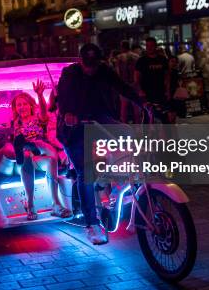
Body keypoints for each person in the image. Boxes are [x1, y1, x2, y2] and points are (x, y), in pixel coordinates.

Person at [56, 43, 144, 245]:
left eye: (94, 64)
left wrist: (141, 102)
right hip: (73, 128)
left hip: (98, 117)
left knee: (128, 137)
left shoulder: (104, 70)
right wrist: (69, 114)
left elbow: (122, 86)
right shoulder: (70, 74)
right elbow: (63, 99)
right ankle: (92, 225)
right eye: (87, 64)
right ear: (80, 61)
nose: (90, 68)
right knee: (85, 172)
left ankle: (119, 185)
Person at [11, 80, 72, 221]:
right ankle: (31, 204)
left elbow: (44, 112)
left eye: (24, 104)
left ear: (31, 106)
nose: (22, 107)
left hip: (41, 153)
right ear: (15, 108)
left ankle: (56, 204)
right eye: (18, 105)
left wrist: (39, 95)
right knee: (25, 152)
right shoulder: (16, 124)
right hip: (26, 158)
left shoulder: (38, 117)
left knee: (49, 159)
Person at [135, 37, 171, 123]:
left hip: (160, 91)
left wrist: (168, 90)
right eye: (147, 46)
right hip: (146, 93)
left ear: (155, 46)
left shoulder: (162, 59)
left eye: (151, 46)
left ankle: (168, 135)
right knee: (147, 115)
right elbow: (136, 77)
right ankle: (146, 136)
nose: (149, 48)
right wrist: (140, 90)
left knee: (164, 116)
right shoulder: (141, 61)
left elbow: (167, 76)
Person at [116, 41, 141, 123]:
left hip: (124, 84)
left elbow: (118, 72)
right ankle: (138, 127)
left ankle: (125, 127)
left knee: (124, 108)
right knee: (136, 107)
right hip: (135, 84)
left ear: (122, 47)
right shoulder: (137, 57)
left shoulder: (119, 57)